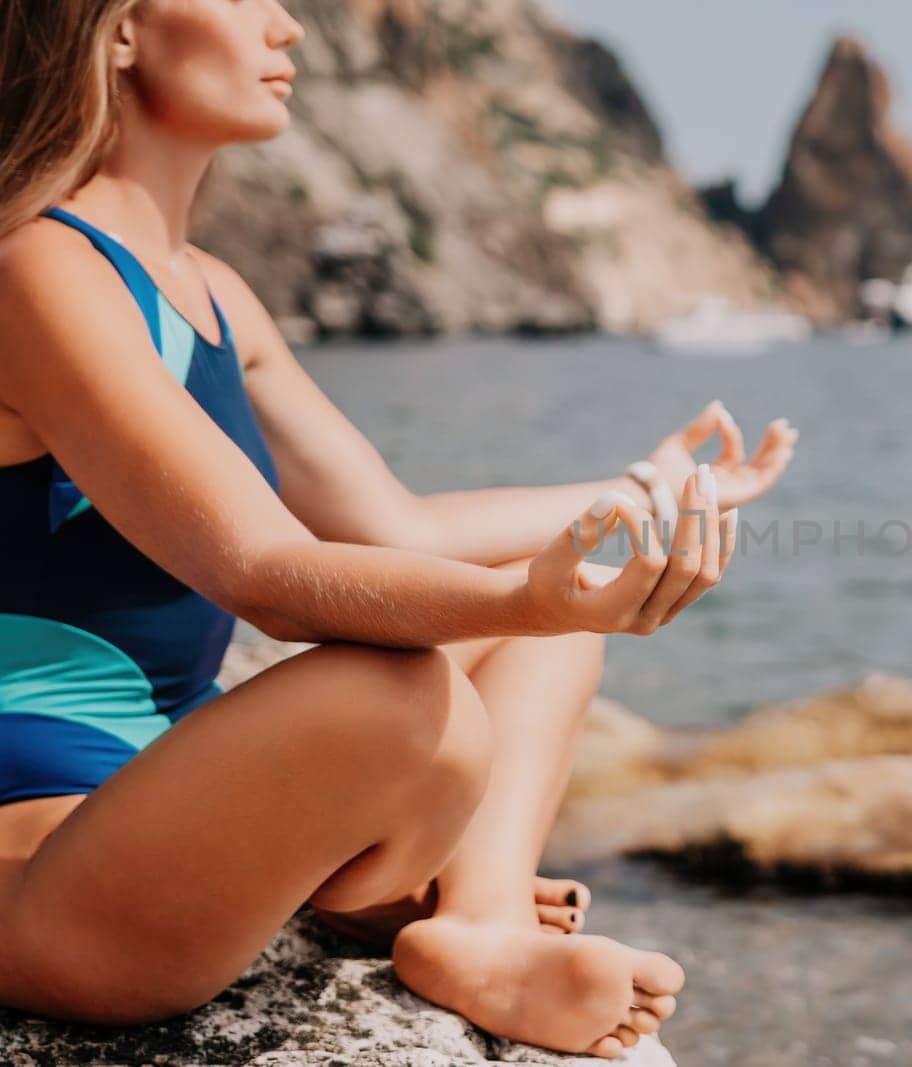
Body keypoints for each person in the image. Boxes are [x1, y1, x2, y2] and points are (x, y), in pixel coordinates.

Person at [0, 0, 799, 1058]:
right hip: (54, 879)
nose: (287, 28)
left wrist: (639, 493)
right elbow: (266, 573)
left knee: (539, 639)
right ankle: (398, 893)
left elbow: (397, 526)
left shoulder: (217, 293)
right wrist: (523, 596)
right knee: (398, 688)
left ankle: (479, 921)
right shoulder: (36, 269)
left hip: (175, 797)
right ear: (118, 30)